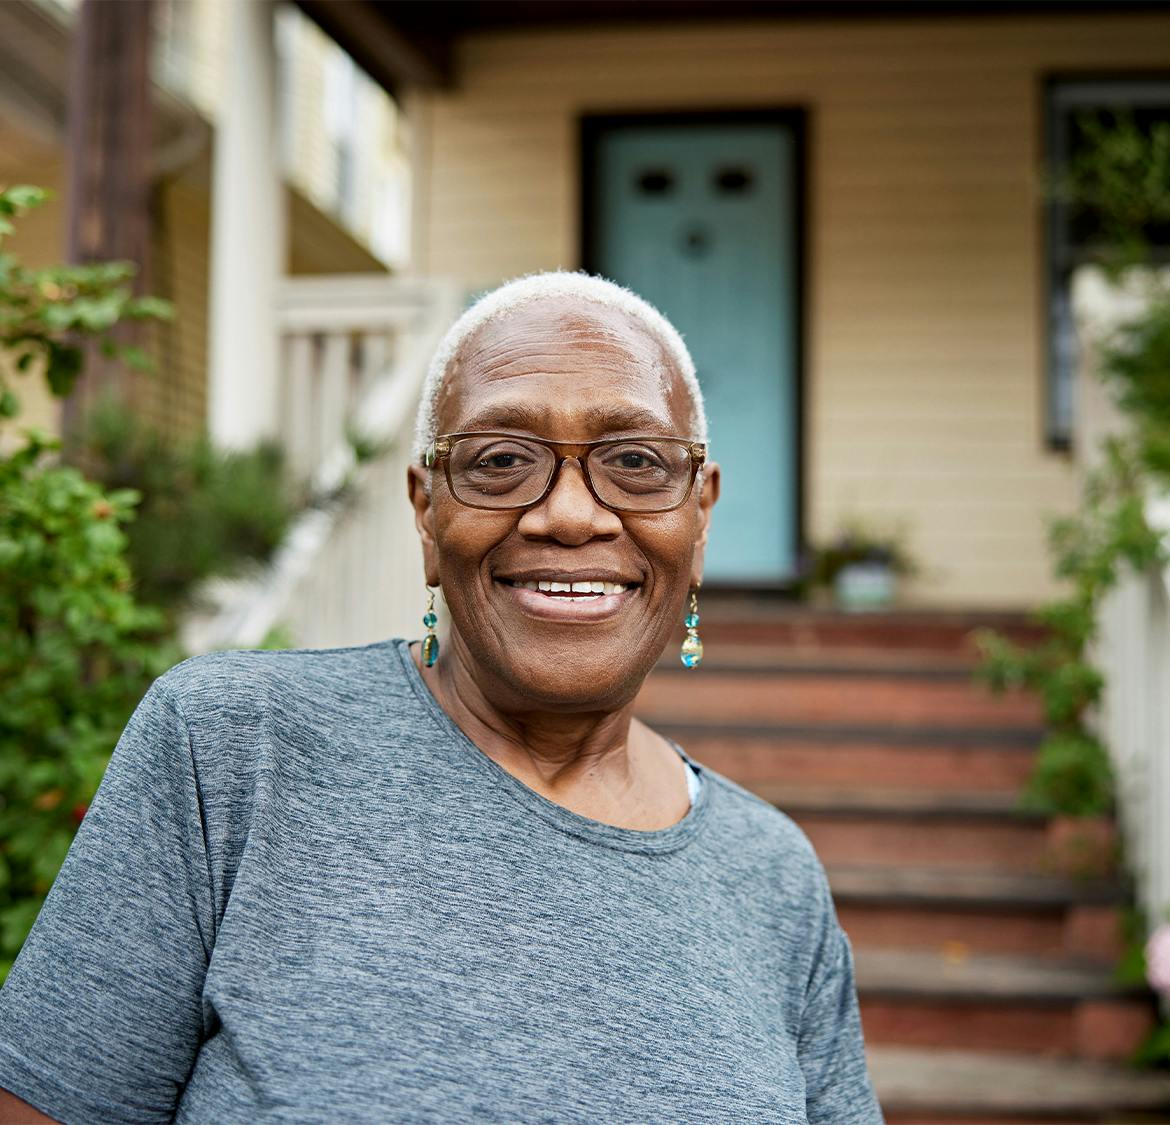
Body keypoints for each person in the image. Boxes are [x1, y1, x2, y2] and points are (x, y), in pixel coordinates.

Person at [0, 271, 883, 1124]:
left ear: (699, 520)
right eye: (501, 459)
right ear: (426, 513)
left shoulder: (772, 877)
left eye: (636, 460)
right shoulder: (236, 751)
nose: (571, 514)